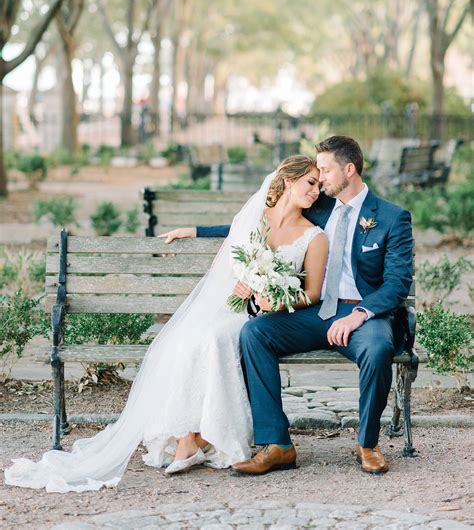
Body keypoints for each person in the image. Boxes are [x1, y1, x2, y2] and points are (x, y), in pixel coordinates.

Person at [5, 155, 328, 493]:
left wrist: (274, 298)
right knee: (186, 337)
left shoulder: (313, 236)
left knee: (214, 338)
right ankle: (188, 437)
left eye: (320, 185)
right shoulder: (257, 219)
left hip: (265, 318)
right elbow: (234, 239)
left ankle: (205, 437)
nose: (316, 191)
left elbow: (312, 294)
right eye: (310, 183)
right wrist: (203, 239)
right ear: (287, 181)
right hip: (235, 307)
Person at [165, 136, 414, 476]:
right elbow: (264, 223)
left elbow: (397, 283)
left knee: (377, 348)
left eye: (325, 170)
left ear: (349, 169)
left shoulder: (391, 217)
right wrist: (196, 231)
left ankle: (367, 443)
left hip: (362, 314)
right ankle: (278, 444)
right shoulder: (319, 207)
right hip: (314, 312)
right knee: (255, 333)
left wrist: (359, 315)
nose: (320, 178)